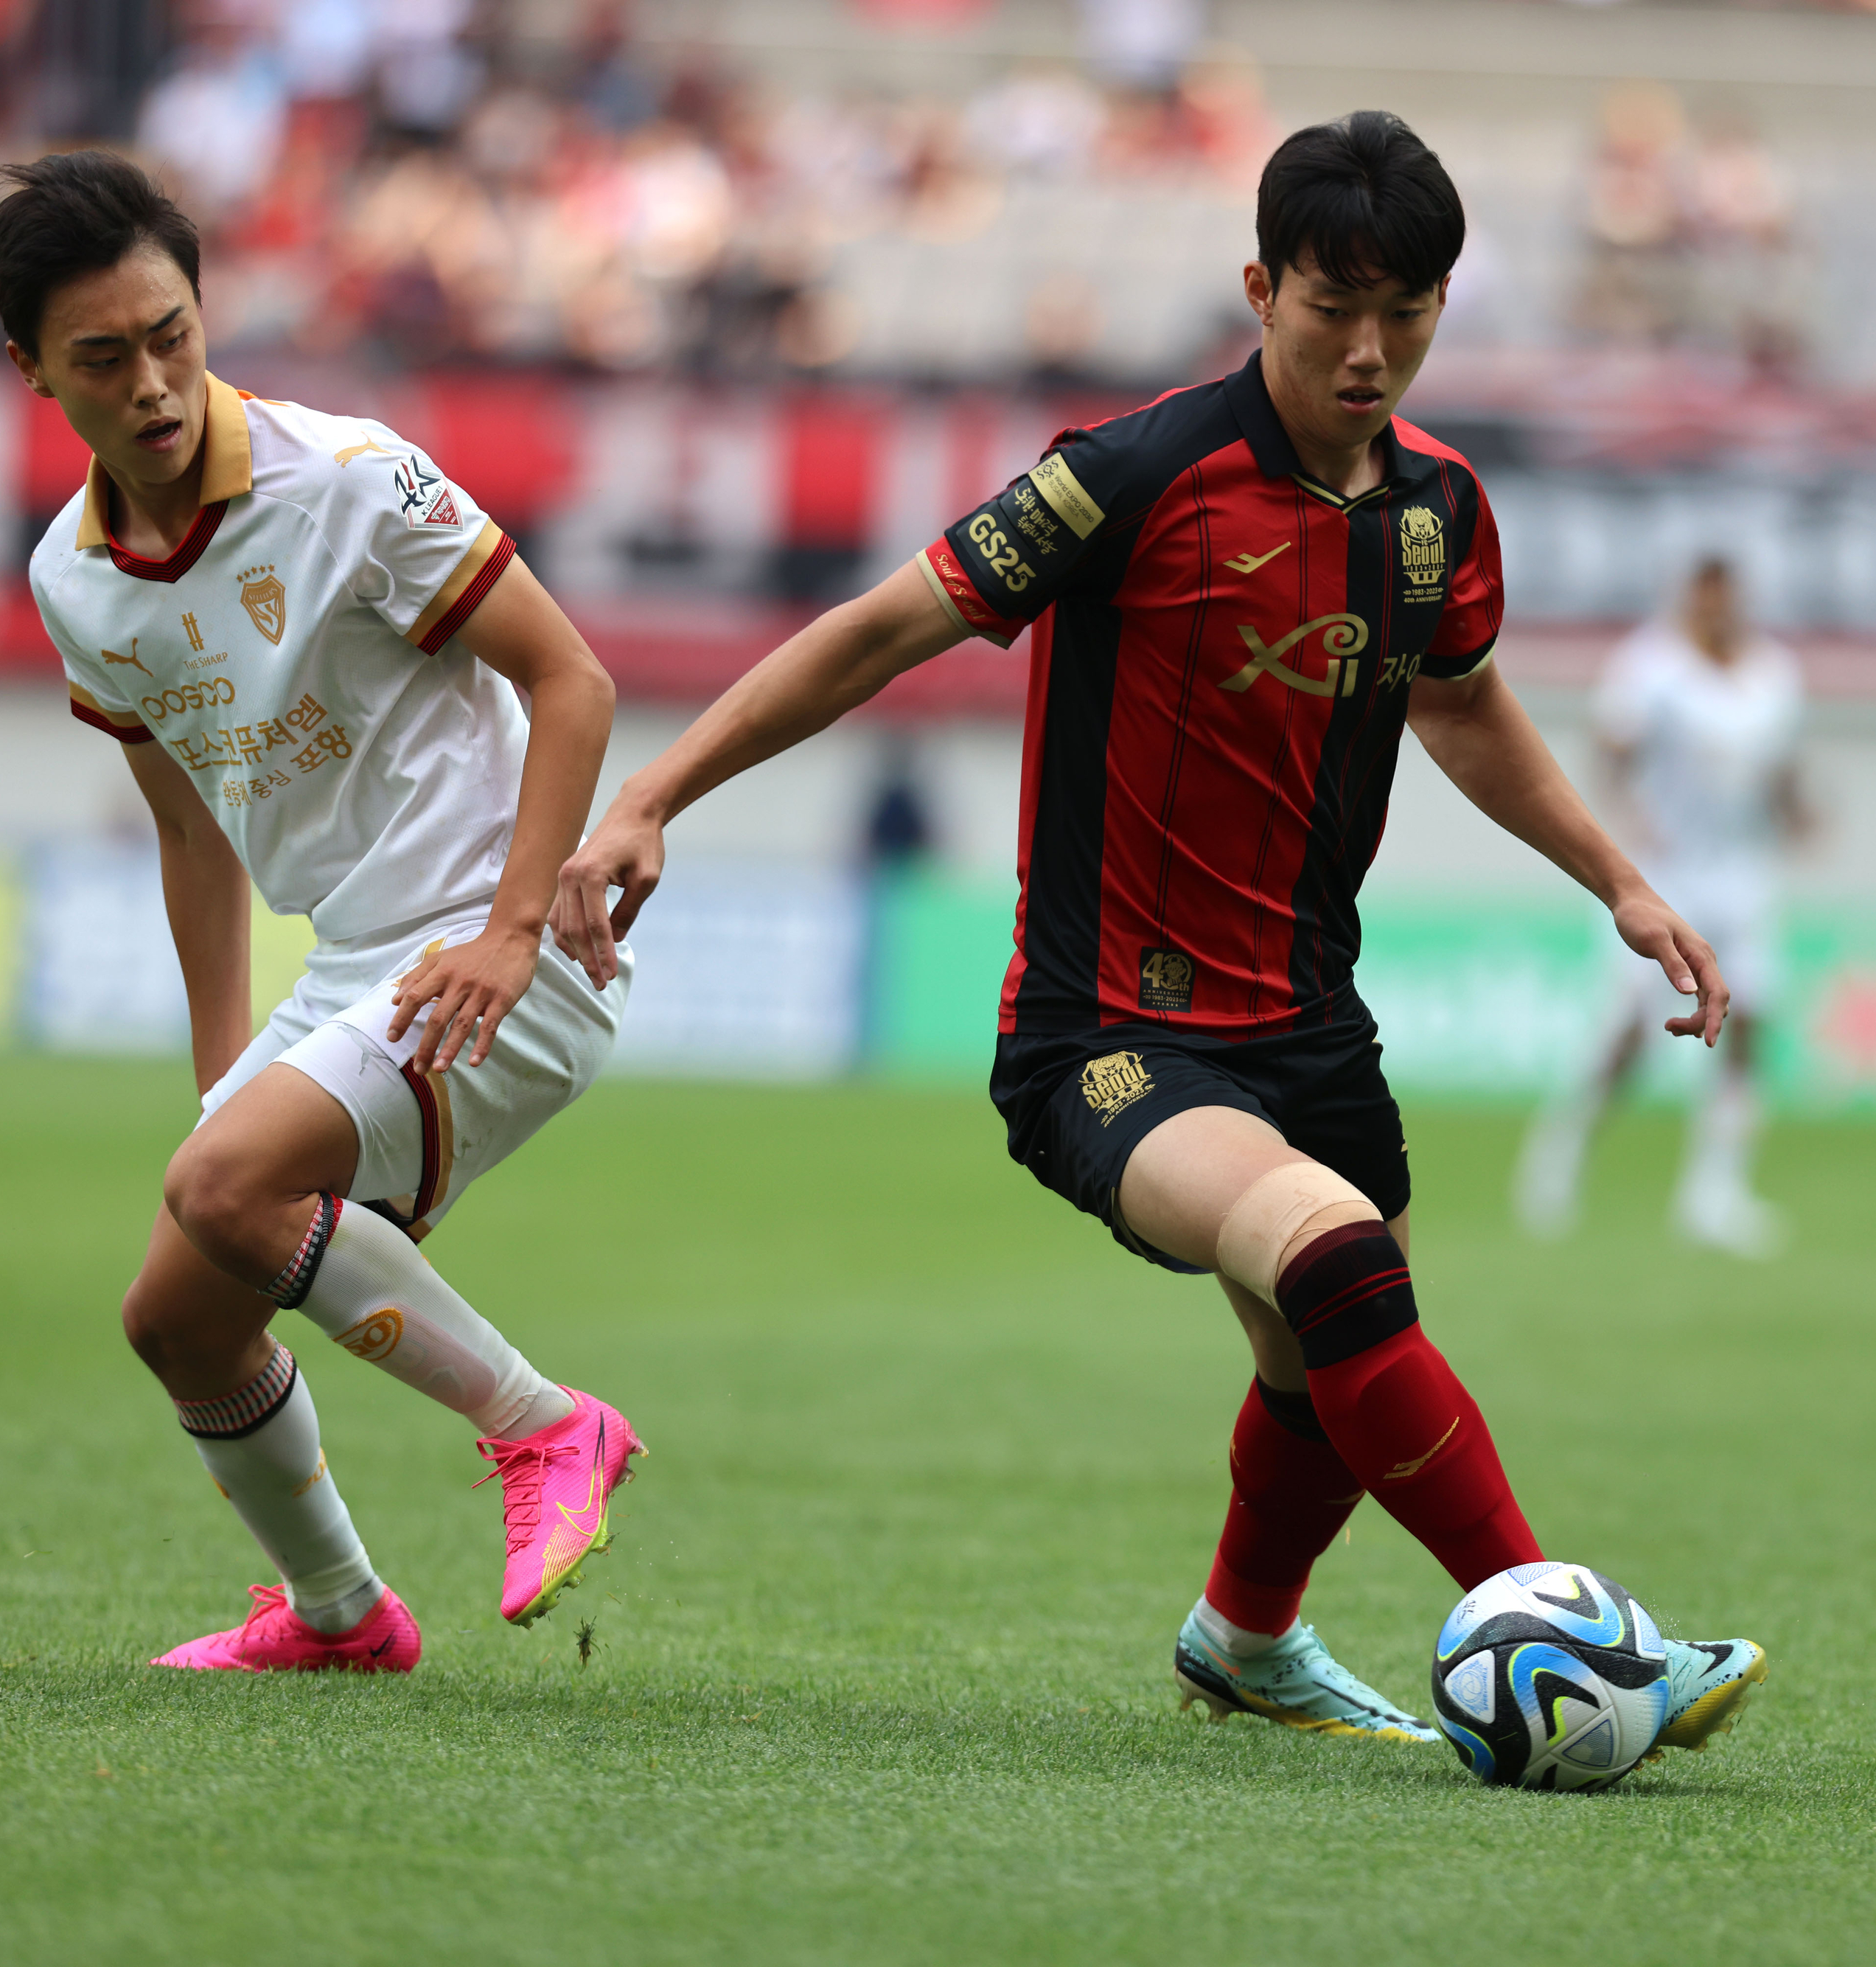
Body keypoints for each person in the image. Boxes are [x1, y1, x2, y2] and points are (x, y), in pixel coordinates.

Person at [555, 112, 1768, 1752]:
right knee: (1337, 1264)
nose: (1366, 348)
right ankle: (1586, 1634)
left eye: (1403, 310)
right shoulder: (1127, 477)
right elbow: (878, 630)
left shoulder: (1434, 511)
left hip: (1308, 1024)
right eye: (1331, 305)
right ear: (1258, 287)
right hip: (1107, 1033)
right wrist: (655, 796)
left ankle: (1241, 1636)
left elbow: (1461, 704)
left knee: (1331, 1360)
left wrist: (1614, 878)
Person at [0, 151, 644, 1671]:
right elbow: (190, 832)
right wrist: (224, 1077)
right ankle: (342, 1615)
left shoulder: (350, 479)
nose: (151, 382)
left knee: (221, 1193)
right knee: (179, 1320)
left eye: (173, 334)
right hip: (358, 968)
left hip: (497, 951)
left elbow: (573, 680)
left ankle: (549, 1429)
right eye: (103, 357)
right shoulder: (74, 581)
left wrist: (513, 922)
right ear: (32, 372)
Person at [1513, 554, 1807, 1256]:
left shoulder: (1773, 675)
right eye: (1706, 595)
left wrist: (1799, 814)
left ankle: (1716, 1190)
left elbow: (1780, 768)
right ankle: (1561, 1149)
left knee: (1749, 1021)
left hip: (1743, 873)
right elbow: (1612, 748)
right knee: (1634, 1031)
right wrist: (1626, 816)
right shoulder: (1649, 667)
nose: (1716, 608)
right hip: (1665, 876)